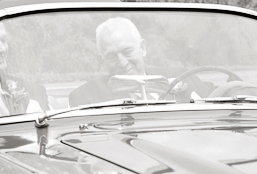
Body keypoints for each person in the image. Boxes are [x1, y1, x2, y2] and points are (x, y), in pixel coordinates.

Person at [68, 17, 210, 107]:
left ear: (142, 48)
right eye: (112, 56)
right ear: (103, 60)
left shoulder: (183, 76)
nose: (122, 63)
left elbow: (220, 97)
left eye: (127, 51)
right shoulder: (86, 98)